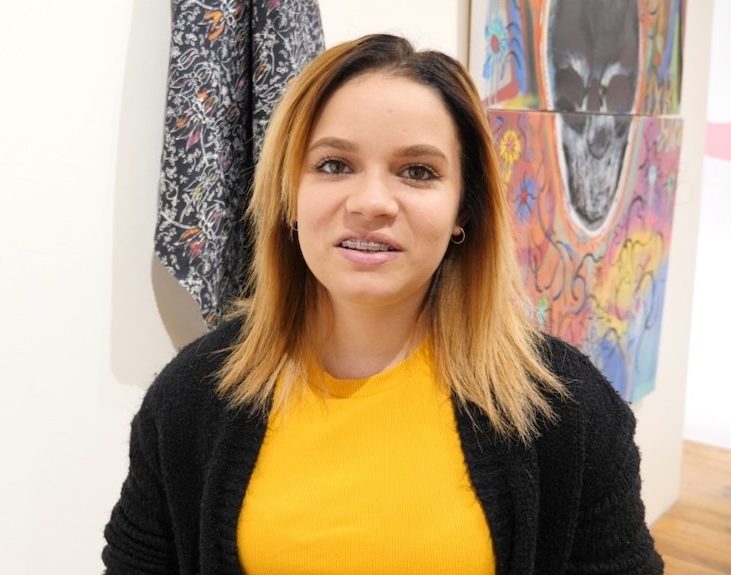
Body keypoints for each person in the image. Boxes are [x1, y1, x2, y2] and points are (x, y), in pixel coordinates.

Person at [102, 34, 664, 574]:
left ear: (463, 212)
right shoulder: (189, 399)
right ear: (289, 194)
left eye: (417, 172)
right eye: (333, 165)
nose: (370, 202)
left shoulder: (566, 411)